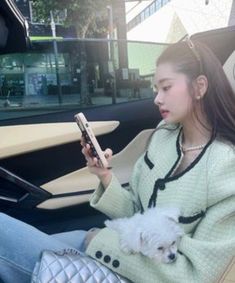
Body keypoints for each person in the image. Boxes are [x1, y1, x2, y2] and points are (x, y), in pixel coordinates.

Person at [0, 38, 235, 283]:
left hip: (132, 271)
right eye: (156, 89)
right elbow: (136, 211)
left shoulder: (226, 170)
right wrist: (105, 176)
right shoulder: (164, 137)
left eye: (166, 87)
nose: (157, 98)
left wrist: (104, 244)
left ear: (199, 87)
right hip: (112, 248)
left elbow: (198, 276)